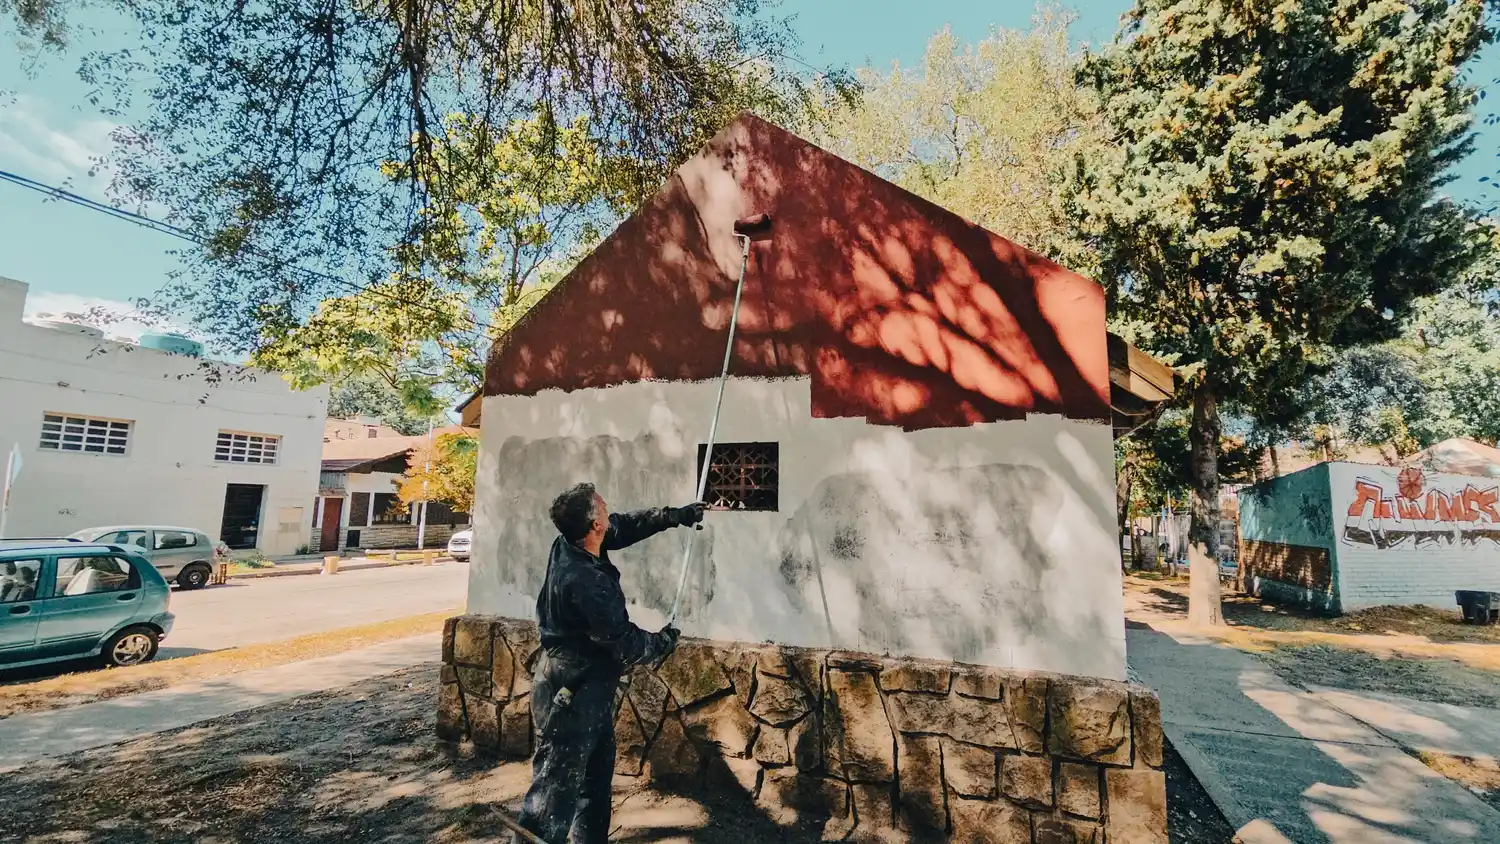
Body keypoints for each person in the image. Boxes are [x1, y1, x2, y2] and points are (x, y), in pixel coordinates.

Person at [515, 483, 705, 844]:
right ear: (594, 526)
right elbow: (623, 641)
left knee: (595, 776)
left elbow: (623, 526)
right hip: (572, 688)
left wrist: (673, 517)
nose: (607, 508)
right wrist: (660, 643)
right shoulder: (586, 581)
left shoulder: (573, 542)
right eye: (602, 507)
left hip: (590, 686)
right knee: (554, 789)